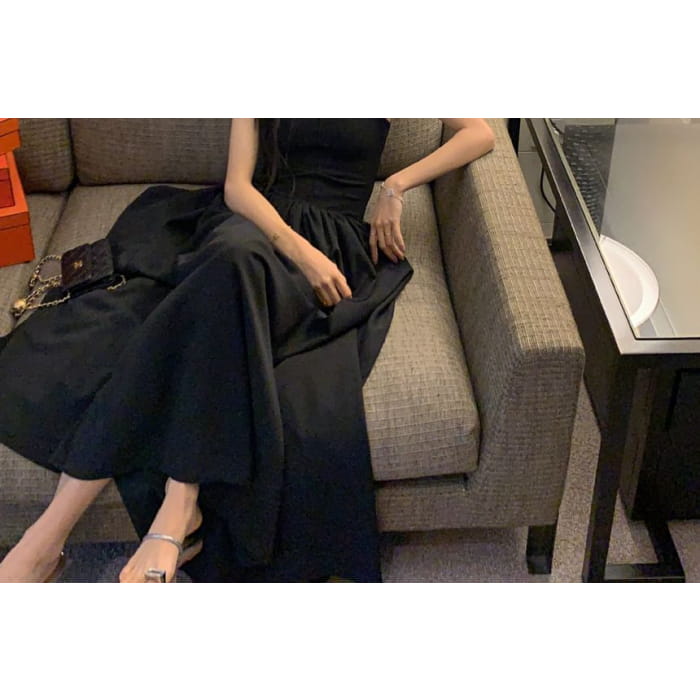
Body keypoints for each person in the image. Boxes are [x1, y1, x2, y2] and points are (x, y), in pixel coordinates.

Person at [0, 118, 495, 583]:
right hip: (252, 227)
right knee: (230, 262)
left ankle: (51, 541)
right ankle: (169, 502)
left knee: (202, 303)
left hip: (333, 244)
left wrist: (396, 186)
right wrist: (299, 251)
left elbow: (479, 132)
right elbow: (238, 187)